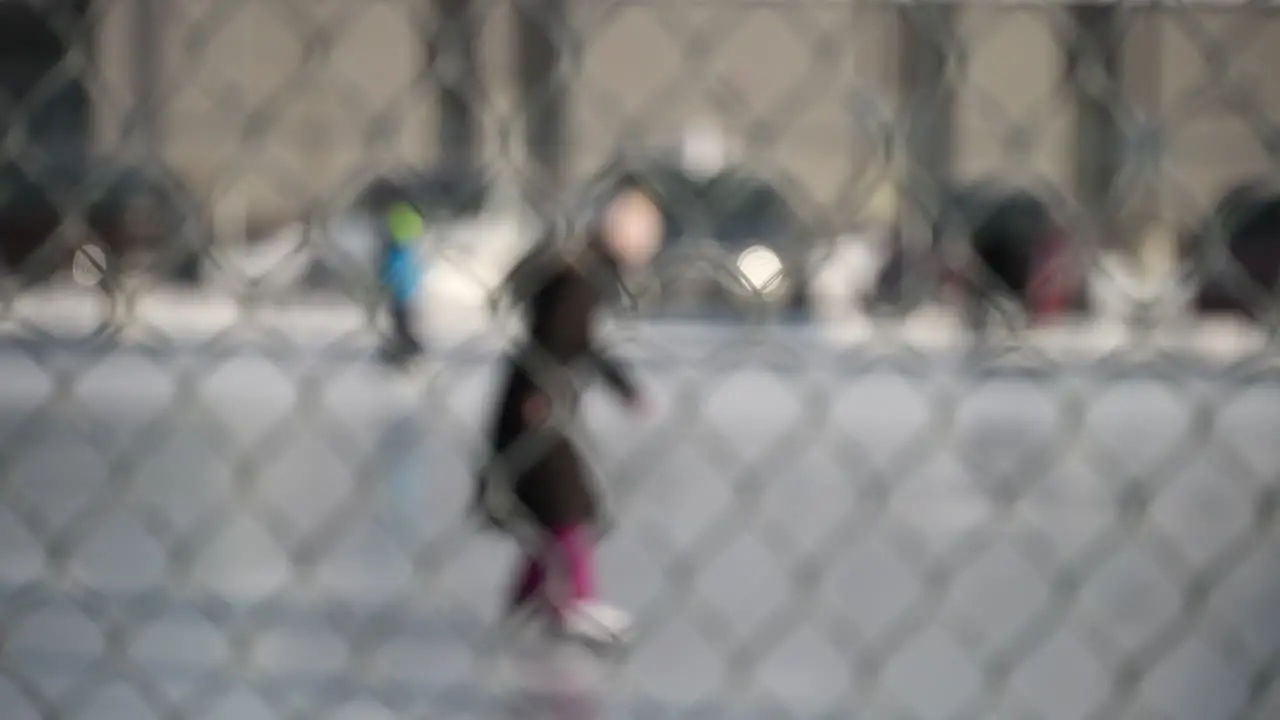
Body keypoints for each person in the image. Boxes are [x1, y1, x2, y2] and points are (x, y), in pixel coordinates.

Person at [473, 180, 663, 648]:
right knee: (566, 505)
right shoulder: (579, 275)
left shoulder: (585, 272)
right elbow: (557, 334)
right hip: (536, 406)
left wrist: (623, 387)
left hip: (540, 400)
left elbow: (583, 342)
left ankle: (531, 598)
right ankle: (574, 600)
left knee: (553, 509)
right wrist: (541, 393)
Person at [375, 184, 428, 363]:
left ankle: (407, 348)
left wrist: (385, 280)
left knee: (401, 321)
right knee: (404, 320)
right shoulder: (412, 216)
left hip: (400, 289)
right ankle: (407, 347)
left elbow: (393, 268)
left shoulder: (397, 218)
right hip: (407, 288)